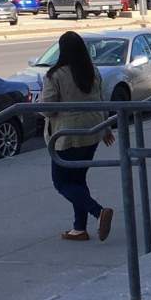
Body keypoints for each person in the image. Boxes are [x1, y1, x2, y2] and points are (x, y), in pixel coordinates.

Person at [41, 31, 115, 242]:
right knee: (78, 179)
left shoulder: (55, 75)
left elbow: (46, 109)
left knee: (61, 183)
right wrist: (106, 128)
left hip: (66, 136)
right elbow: (101, 99)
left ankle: (98, 211)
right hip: (92, 131)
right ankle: (79, 228)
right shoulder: (92, 70)